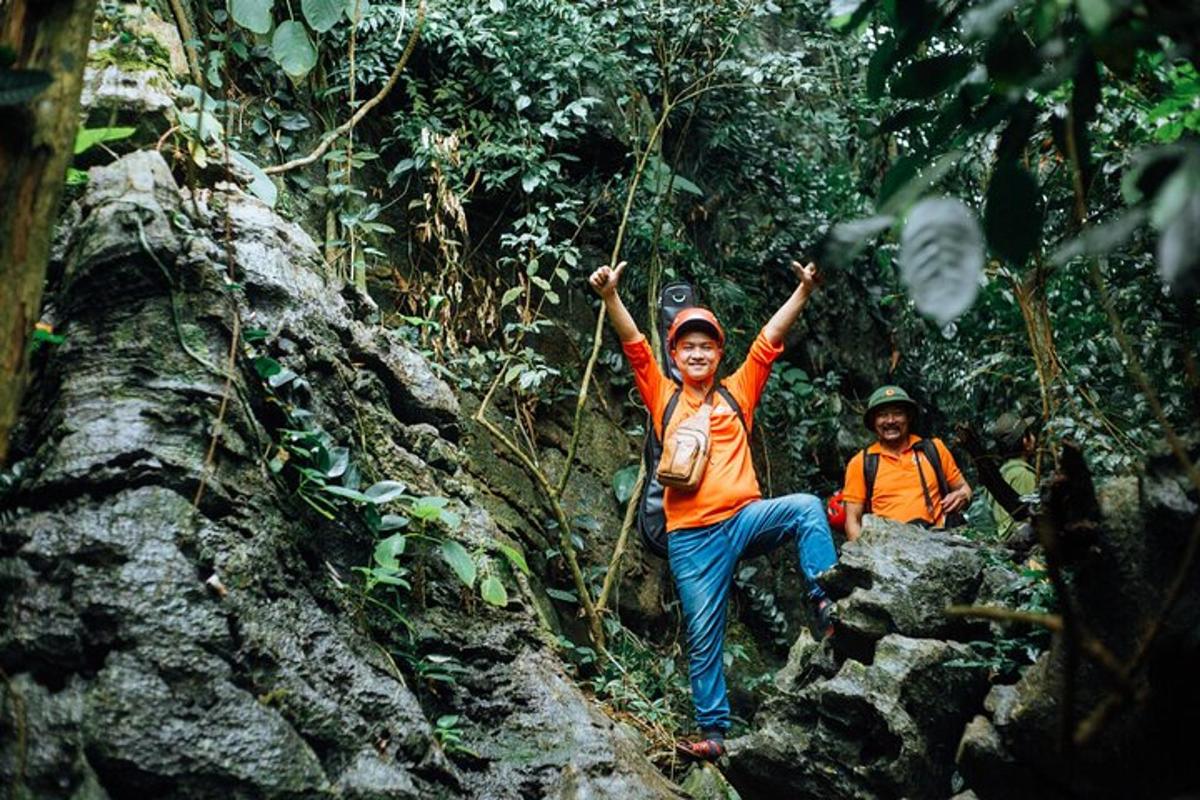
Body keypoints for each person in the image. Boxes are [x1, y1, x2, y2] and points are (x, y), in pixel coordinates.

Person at [588, 258, 838, 762]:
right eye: (688, 347)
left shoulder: (737, 392)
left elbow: (768, 340)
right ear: (676, 356)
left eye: (706, 346)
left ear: (718, 354)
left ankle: (825, 601)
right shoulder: (663, 396)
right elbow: (636, 348)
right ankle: (715, 735)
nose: (697, 353)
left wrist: (804, 293)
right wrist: (612, 297)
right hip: (690, 538)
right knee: (703, 636)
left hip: (743, 519)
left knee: (808, 508)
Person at [841, 385, 972, 541]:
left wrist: (962, 496)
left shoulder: (933, 449)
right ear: (873, 421)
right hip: (888, 546)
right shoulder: (862, 463)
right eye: (882, 415)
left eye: (897, 413)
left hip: (938, 539)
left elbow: (964, 488)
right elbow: (852, 520)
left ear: (908, 417)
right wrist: (865, 558)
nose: (890, 421)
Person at [986, 412, 1038, 539]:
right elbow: (1028, 520)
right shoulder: (1024, 475)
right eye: (1029, 433)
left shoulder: (1002, 472)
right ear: (1026, 441)